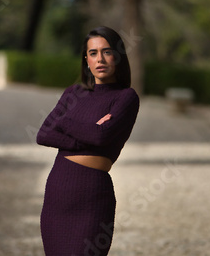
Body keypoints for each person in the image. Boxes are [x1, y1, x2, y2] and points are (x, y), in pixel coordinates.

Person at [36, 26, 140, 255]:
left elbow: (101, 136)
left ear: (118, 56)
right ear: (86, 59)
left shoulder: (126, 97)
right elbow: (43, 135)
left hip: (92, 195)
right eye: (93, 53)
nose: (100, 59)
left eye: (107, 51)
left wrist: (65, 123)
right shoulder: (74, 93)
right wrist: (89, 132)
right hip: (58, 192)